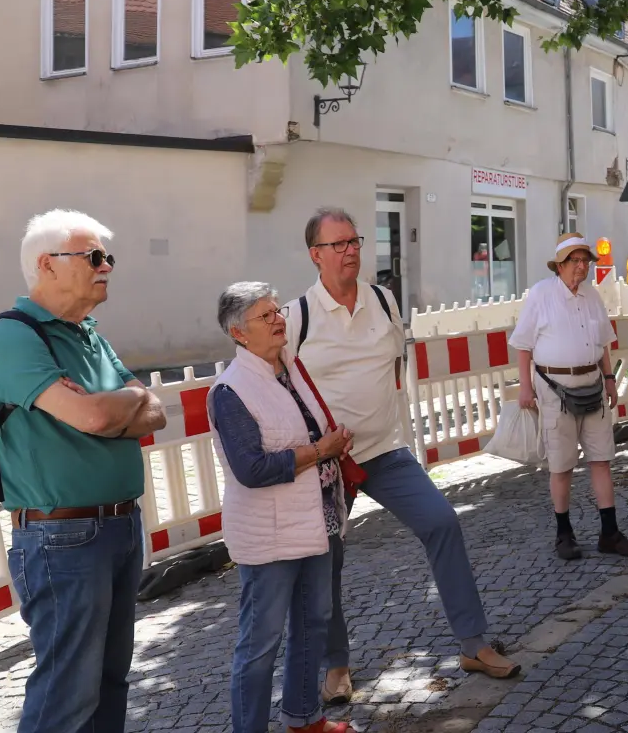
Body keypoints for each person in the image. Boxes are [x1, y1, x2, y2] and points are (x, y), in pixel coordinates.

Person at [284, 209, 517, 705]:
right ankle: (337, 665)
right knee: (326, 562)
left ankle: (474, 644)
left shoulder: (385, 300)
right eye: (339, 244)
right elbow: (281, 386)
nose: (351, 250)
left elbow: (395, 364)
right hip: (328, 465)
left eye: (355, 241)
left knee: (442, 522)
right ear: (316, 255)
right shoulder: (297, 315)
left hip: (385, 451)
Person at [0, 209, 167, 733]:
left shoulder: (88, 334)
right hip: (62, 536)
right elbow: (96, 415)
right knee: (67, 693)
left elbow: (157, 411)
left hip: (120, 526)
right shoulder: (10, 338)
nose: (107, 267)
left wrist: (116, 404)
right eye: (94, 257)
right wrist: (119, 403)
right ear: (46, 265)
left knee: (110, 683)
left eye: (108, 257)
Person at [209, 283, 355, 733]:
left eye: (277, 311)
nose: (278, 320)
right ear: (238, 333)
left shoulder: (290, 368)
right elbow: (251, 469)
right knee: (261, 642)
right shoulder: (230, 390)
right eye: (265, 316)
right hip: (268, 533)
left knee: (314, 622)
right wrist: (319, 450)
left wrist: (330, 449)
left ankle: (303, 718)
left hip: (315, 516)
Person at [514, 233, 628, 561]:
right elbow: (523, 344)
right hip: (554, 387)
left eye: (585, 260)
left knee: (601, 459)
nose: (582, 266)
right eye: (576, 260)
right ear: (560, 264)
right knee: (561, 464)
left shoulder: (591, 295)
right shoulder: (541, 295)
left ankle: (610, 533)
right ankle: (564, 534)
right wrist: (525, 387)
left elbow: (603, 342)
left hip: (592, 384)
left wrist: (610, 378)